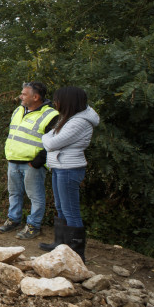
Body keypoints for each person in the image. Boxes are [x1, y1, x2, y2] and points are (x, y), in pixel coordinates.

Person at [38, 86, 98, 262]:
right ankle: (60, 245)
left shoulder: (80, 122)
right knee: (60, 207)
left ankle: (76, 255)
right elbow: (49, 136)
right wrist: (48, 139)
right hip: (59, 166)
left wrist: (47, 140)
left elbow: (50, 142)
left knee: (71, 211)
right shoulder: (68, 118)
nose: (55, 103)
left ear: (68, 101)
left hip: (69, 168)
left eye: (57, 100)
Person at [0, 81, 59, 240]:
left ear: (36, 97)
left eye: (24, 94)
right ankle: (13, 219)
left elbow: (55, 141)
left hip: (32, 164)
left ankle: (33, 226)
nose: (20, 96)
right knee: (14, 193)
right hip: (13, 160)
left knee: (36, 196)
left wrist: (39, 160)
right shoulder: (18, 110)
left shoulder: (51, 115)